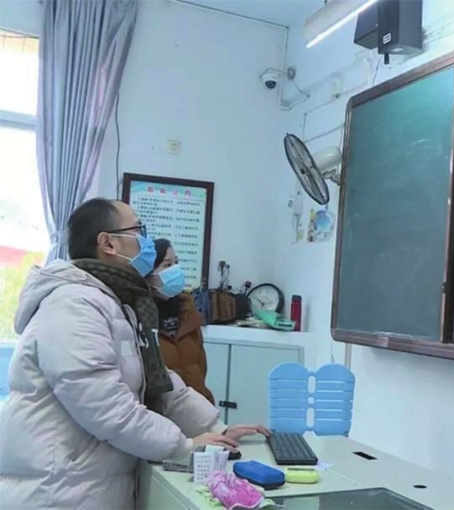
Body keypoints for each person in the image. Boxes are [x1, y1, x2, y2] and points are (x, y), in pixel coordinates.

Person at [0, 198, 267, 509]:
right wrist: (183, 446)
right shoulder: (74, 304)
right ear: (108, 243)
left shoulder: (117, 303)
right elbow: (105, 406)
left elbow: (159, 382)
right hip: (57, 491)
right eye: (139, 230)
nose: (146, 242)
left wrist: (216, 430)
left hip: (82, 484)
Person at [148, 238, 215, 403]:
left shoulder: (188, 314)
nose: (175, 270)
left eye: (176, 263)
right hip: (162, 411)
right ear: (148, 274)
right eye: (167, 265)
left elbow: (199, 366)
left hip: (198, 405)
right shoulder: (141, 317)